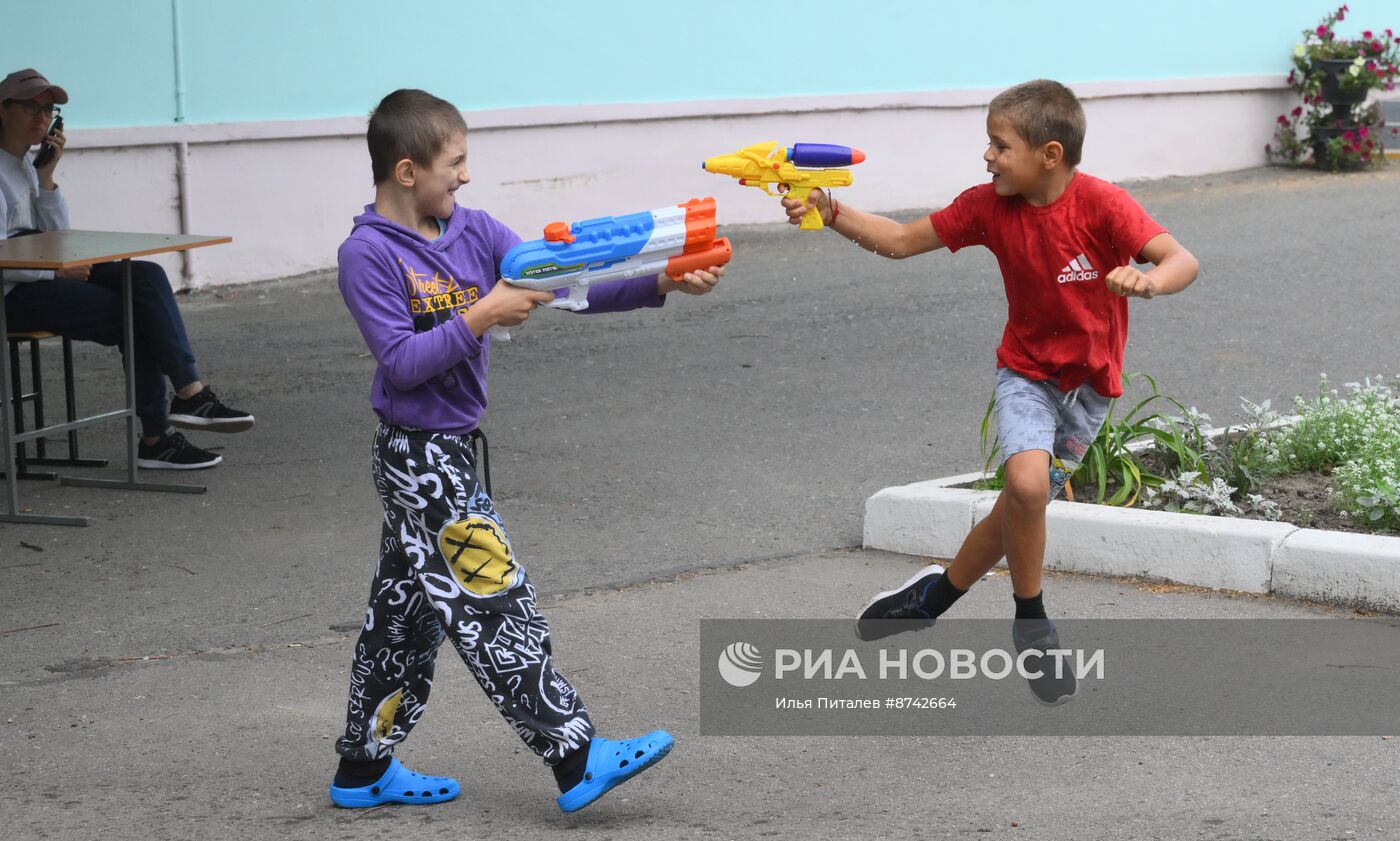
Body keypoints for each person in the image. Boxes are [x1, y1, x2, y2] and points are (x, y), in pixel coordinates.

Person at [330, 88, 724, 813]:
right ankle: (575, 755)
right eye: (457, 163)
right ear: (408, 170)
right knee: (494, 599)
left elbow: (563, 283)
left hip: (447, 450)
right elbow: (401, 361)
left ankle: (361, 767)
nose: (466, 177)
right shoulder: (368, 254)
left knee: (403, 619)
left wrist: (662, 280)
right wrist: (482, 315)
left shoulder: (473, 230)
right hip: (418, 459)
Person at [783, 79, 1199, 705]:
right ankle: (1032, 623)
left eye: (999, 146)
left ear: (1049, 155)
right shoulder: (987, 207)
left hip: (1088, 390)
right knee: (1029, 488)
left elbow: (1181, 260)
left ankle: (935, 596)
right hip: (1026, 373)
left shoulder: (1102, 205)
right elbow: (899, 241)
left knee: (1019, 507)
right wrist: (831, 210)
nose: (987, 157)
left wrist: (1150, 280)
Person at [0, 68, 253, 470]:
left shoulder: (28, 167)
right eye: (30, 106)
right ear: (2, 110)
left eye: (48, 109)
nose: (41, 117)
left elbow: (55, 238)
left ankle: (189, 393)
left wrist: (46, 177)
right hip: (15, 293)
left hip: (43, 277)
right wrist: (53, 273)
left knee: (147, 277)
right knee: (136, 314)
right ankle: (158, 436)